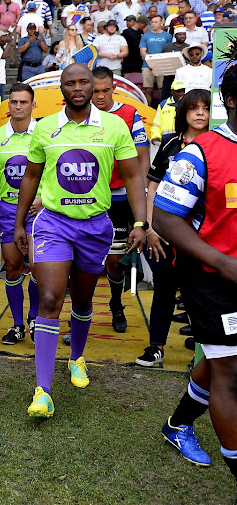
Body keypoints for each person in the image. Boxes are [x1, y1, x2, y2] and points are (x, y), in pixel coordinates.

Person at [14, 63, 147, 418]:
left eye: (83, 82)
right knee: (50, 297)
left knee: (84, 297)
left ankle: (76, 358)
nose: (77, 87)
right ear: (61, 88)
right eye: (70, 82)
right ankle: (42, 390)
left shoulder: (115, 126)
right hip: (53, 224)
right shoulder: (45, 128)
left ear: (96, 87)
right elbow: (30, 176)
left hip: (95, 226)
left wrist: (140, 221)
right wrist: (18, 223)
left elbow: (134, 176)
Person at [153, 64, 237, 481]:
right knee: (231, 370)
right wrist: (223, 263)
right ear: (233, 101)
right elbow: (165, 219)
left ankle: (178, 424)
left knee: (224, 357)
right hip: (212, 279)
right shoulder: (199, 153)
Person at [136, 89, 210, 367]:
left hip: (202, 236)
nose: (200, 113)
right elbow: (152, 186)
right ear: (183, 113)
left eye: (205, 107)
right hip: (165, 234)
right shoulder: (169, 145)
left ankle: (202, 357)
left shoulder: (218, 144)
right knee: (165, 287)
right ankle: (156, 347)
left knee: (199, 293)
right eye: (194, 108)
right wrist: (151, 228)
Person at [0, 83, 41, 345]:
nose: (18, 106)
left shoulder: (44, 134)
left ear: (33, 105)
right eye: (14, 102)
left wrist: (44, 198)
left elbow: (56, 173)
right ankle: (17, 325)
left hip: (38, 211)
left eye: (24, 102)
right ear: (8, 105)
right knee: (12, 268)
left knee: (37, 266)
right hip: (8, 211)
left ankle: (35, 319)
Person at [88, 66, 150, 334]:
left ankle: (116, 304)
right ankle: (81, 315)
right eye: (96, 91)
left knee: (114, 260)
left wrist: (143, 192)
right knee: (84, 260)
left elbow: (142, 156)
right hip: (85, 199)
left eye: (105, 90)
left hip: (119, 197)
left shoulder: (129, 114)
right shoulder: (79, 115)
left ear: (114, 89)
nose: (100, 96)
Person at [140, 14, 172, 106]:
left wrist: (159, 63)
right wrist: (151, 63)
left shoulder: (167, 36)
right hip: (147, 65)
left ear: (161, 22)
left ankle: (162, 108)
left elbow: (169, 51)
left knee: (162, 89)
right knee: (148, 89)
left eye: (156, 22)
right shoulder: (145, 36)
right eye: (152, 22)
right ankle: (147, 108)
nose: (153, 24)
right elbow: (143, 51)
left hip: (162, 65)